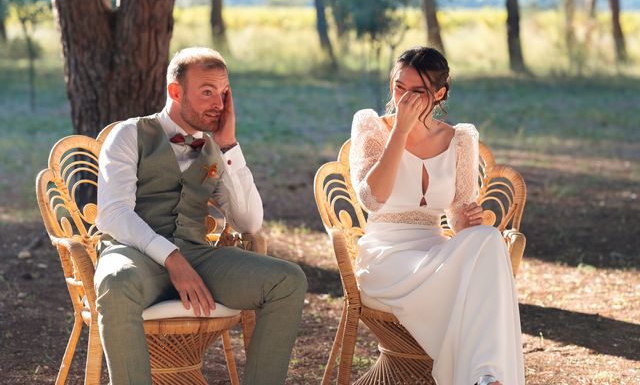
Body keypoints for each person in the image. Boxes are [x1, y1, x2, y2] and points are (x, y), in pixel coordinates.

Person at [94, 47, 308, 385]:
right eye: (207, 92)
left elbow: (250, 222)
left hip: (198, 257)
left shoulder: (213, 151)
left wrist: (229, 147)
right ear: (175, 92)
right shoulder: (129, 134)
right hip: (134, 255)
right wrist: (171, 258)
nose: (218, 105)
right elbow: (113, 213)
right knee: (115, 282)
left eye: (223, 94)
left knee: (287, 280)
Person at [349, 46, 524, 385]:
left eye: (418, 92)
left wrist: (466, 220)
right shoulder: (371, 126)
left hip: (434, 252)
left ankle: (486, 378)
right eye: (399, 87)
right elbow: (372, 199)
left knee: (486, 238)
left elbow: (457, 218)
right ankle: (482, 376)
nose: (405, 98)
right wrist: (400, 131)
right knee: (474, 286)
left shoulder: (459, 139)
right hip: (386, 259)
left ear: (440, 93)